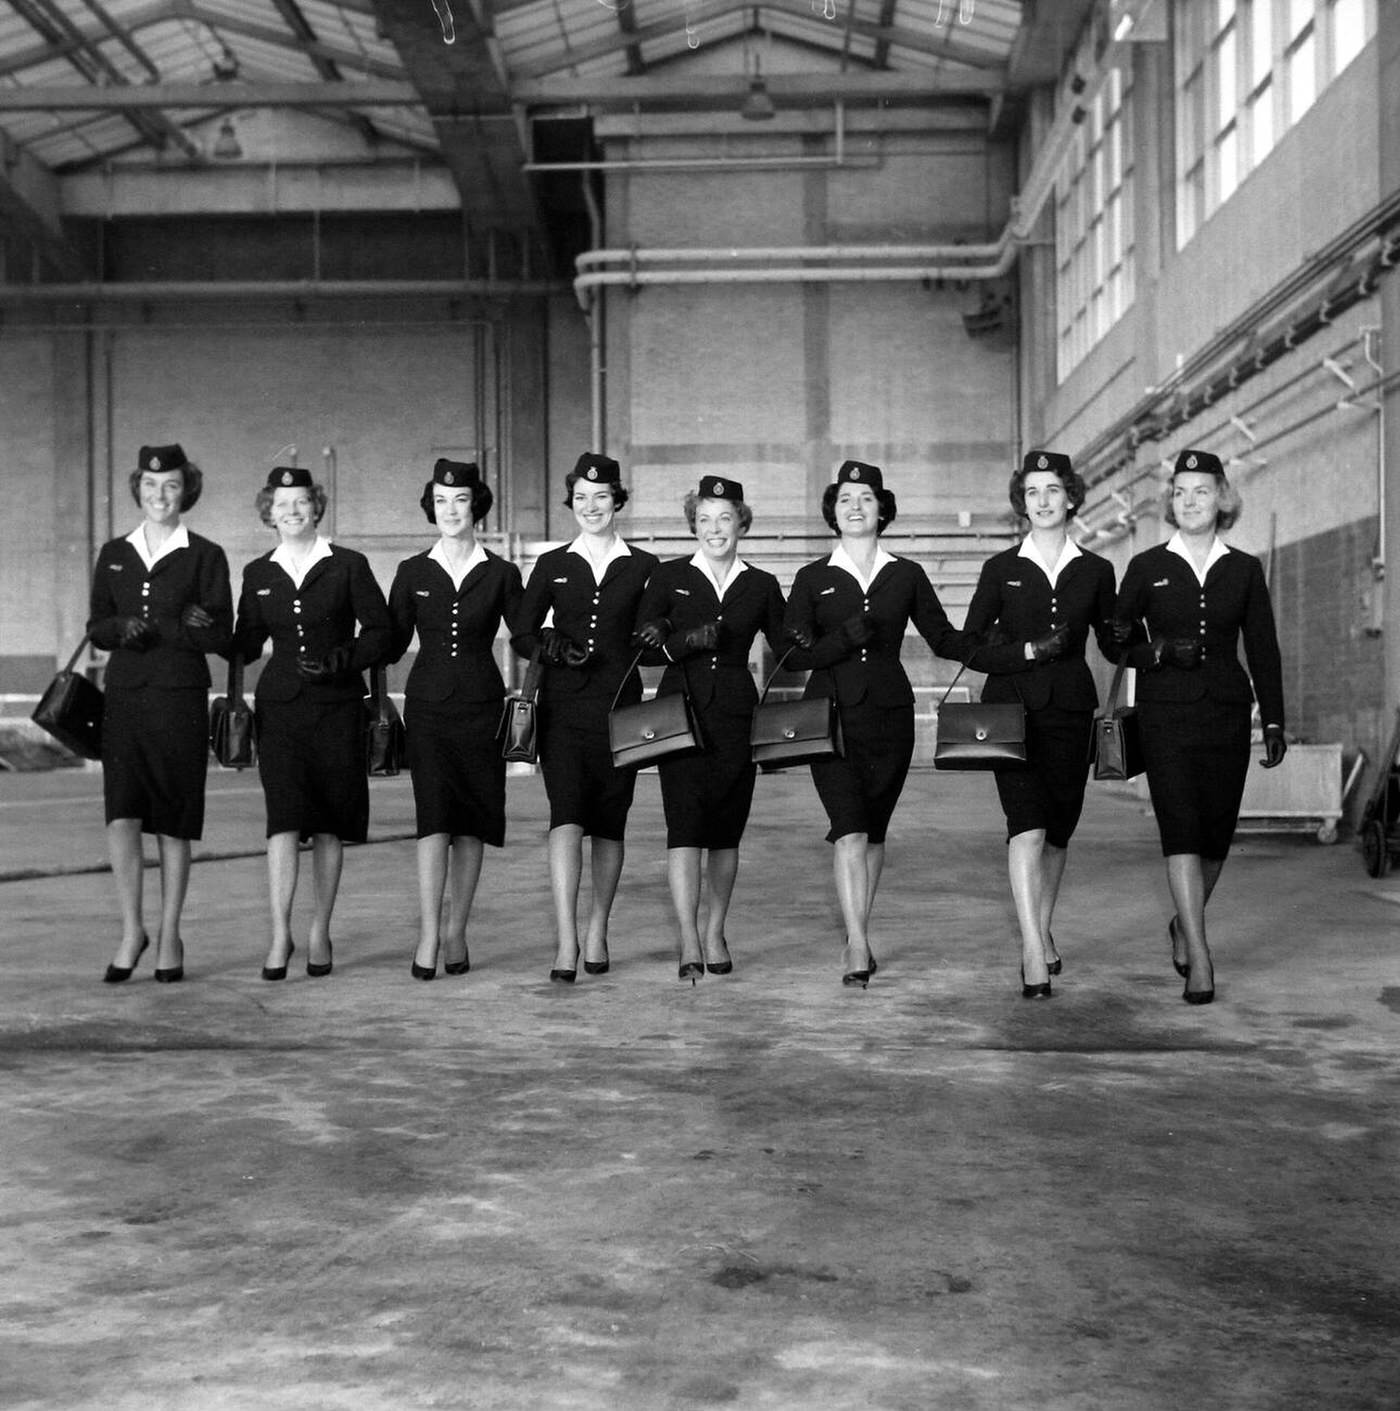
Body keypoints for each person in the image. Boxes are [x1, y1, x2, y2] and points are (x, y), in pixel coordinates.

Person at [783, 459, 977, 988]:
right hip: (831, 719)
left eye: (866, 498)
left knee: (873, 834)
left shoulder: (905, 574)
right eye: (845, 498)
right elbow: (793, 656)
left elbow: (943, 638)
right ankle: (858, 942)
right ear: (833, 511)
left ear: (882, 510)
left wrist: (1010, 647)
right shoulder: (812, 578)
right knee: (848, 829)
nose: (855, 506)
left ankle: (857, 930)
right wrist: (840, 640)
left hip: (891, 719)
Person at [1115, 449, 1287, 1004]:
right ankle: (1202, 955)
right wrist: (1159, 650)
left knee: (1216, 836)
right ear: (1171, 501)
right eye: (1181, 491)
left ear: (1222, 499)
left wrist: (1275, 718)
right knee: (1182, 830)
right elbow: (1116, 641)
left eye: (1202, 490)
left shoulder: (1244, 568)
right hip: (1165, 715)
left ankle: (1182, 926)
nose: (1190, 500)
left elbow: (1262, 648)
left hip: (1227, 715)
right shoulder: (1146, 567)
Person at [962, 451, 1121, 998]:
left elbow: (1115, 639)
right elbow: (973, 647)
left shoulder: (1097, 571)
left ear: (1071, 496)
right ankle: (1032, 947)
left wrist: (1138, 631)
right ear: (1022, 502)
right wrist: (1026, 651)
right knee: (1025, 827)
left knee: (1057, 833)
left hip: (1072, 712)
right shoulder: (1000, 569)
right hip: (1011, 714)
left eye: (1054, 489)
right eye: (1033, 492)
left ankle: (1042, 927)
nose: (1044, 500)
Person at [233, 465, 391, 981]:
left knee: (328, 823)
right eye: (283, 504)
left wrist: (343, 659)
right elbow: (246, 643)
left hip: (338, 708)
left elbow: (382, 632)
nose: (293, 511)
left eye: (302, 501)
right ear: (269, 512)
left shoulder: (347, 565)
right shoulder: (258, 574)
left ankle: (321, 928)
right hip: (280, 708)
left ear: (316, 507)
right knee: (282, 820)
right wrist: (209, 630)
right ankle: (280, 932)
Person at [88, 444, 233, 984]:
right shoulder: (114, 553)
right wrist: (119, 629)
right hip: (125, 697)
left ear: (186, 491)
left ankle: (170, 932)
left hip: (179, 698)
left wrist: (196, 626)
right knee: (122, 815)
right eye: (151, 487)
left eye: (170, 486)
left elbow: (222, 635)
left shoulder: (205, 555)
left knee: (173, 820)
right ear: (138, 490)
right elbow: (95, 625)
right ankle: (132, 930)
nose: (160, 496)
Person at [633, 476, 785, 981]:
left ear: (741, 521)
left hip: (737, 717)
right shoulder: (668, 575)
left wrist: (809, 634)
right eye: (703, 519)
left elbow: (787, 647)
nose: (714, 528)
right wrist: (675, 643)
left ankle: (716, 929)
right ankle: (689, 938)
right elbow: (644, 650)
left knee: (725, 832)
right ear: (692, 524)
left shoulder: (760, 584)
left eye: (724, 518)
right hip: (680, 715)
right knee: (684, 828)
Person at [513, 453, 658, 983]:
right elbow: (522, 633)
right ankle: (567, 939)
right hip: (565, 712)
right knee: (566, 818)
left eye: (600, 497)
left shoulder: (645, 567)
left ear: (616, 500)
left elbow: (654, 642)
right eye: (580, 498)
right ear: (570, 503)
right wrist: (547, 644)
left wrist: (658, 634)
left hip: (621, 712)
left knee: (610, 825)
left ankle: (598, 927)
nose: (590, 506)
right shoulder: (552, 564)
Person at [386, 460, 523, 981]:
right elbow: (391, 639)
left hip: (482, 707)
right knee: (433, 820)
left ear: (476, 506)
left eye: (460, 499)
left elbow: (527, 633)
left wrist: (557, 643)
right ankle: (427, 932)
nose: (450, 510)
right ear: (431, 507)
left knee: (472, 823)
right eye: (441, 500)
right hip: (426, 708)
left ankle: (457, 929)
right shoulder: (412, 572)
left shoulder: (501, 572)